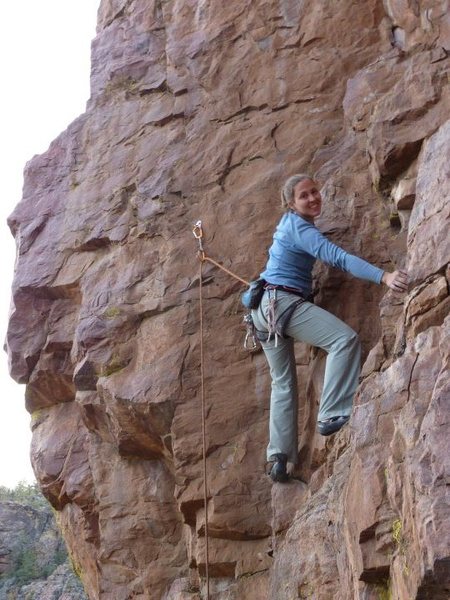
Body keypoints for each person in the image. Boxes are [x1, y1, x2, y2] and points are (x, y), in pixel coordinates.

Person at [251, 174, 408, 483]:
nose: (313, 198)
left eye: (314, 191)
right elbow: (337, 257)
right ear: (291, 204)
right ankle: (333, 412)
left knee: (282, 383)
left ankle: (279, 458)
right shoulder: (298, 228)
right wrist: (384, 277)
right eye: (304, 196)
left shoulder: (287, 226)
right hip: (279, 304)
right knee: (344, 340)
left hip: (262, 310)